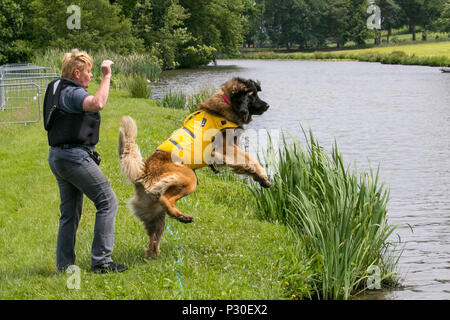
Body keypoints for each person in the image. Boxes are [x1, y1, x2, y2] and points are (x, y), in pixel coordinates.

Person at [46, 49, 127, 273]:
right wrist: (107, 75)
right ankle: (102, 262)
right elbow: (97, 103)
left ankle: (64, 266)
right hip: (73, 158)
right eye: (89, 72)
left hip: (58, 156)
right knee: (107, 201)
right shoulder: (73, 93)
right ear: (76, 73)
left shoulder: (57, 88)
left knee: (69, 213)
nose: (91, 76)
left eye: (93, 72)